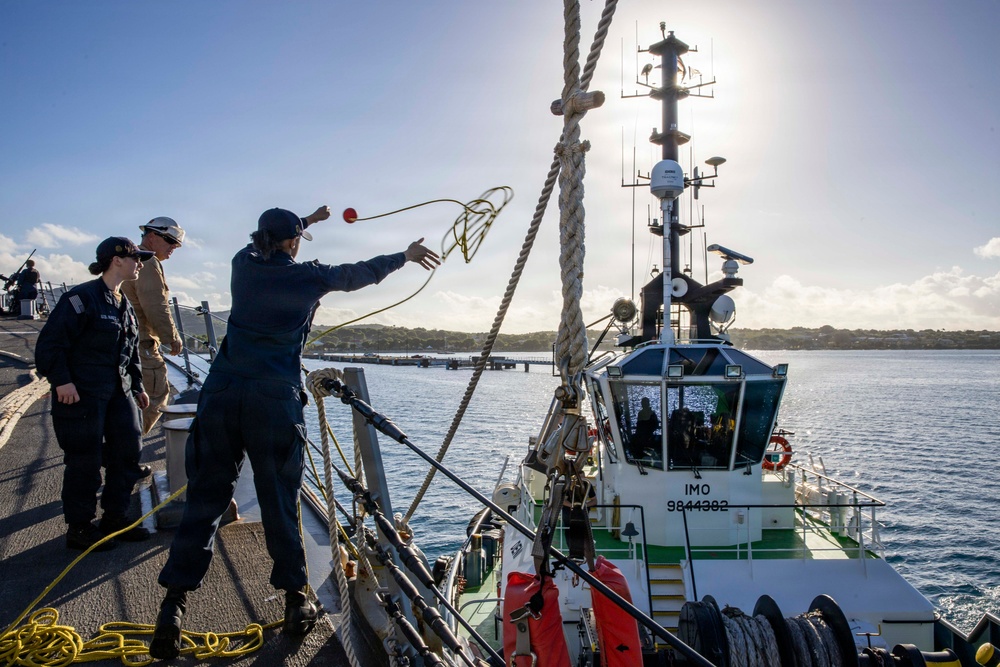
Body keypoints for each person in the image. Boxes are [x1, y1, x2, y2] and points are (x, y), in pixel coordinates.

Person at [150, 205, 441, 659]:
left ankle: (172, 608)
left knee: (204, 501)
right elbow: (356, 273)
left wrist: (309, 221)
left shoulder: (242, 265)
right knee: (280, 503)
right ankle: (294, 603)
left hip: (222, 394)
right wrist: (403, 256)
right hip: (273, 402)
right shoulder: (308, 277)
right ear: (292, 243)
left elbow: (274, 236)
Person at [35, 237, 156, 551]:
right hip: (82, 395)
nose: (140, 264)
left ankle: (115, 519)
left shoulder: (123, 304)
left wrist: (139, 386)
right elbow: (50, 345)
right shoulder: (81, 299)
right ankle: (79, 528)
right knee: (84, 461)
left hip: (118, 392)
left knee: (128, 450)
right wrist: (62, 381)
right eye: (135, 258)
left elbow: (129, 353)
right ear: (116, 260)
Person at [121, 217, 186, 436]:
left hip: (127, 340)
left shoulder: (132, 259)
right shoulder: (147, 262)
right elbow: (155, 304)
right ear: (151, 236)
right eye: (169, 240)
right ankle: (126, 452)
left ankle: (119, 451)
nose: (174, 247)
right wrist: (172, 337)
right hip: (141, 344)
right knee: (154, 394)